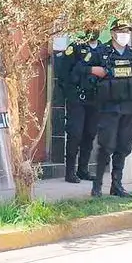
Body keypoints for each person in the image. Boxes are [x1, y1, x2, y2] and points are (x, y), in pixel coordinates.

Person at [80, 19, 132, 198]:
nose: (123, 34)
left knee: (124, 147)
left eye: (126, 31)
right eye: (120, 30)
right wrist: (93, 70)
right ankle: (97, 186)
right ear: (112, 33)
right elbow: (79, 71)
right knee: (105, 147)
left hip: (129, 108)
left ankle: (116, 185)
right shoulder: (101, 52)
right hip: (107, 108)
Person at [57, 29, 101, 183]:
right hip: (77, 98)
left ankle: (83, 169)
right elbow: (63, 74)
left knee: (90, 134)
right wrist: (71, 94)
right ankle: (70, 172)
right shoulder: (75, 47)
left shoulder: (103, 49)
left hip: (95, 99)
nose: (94, 29)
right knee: (75, 134)